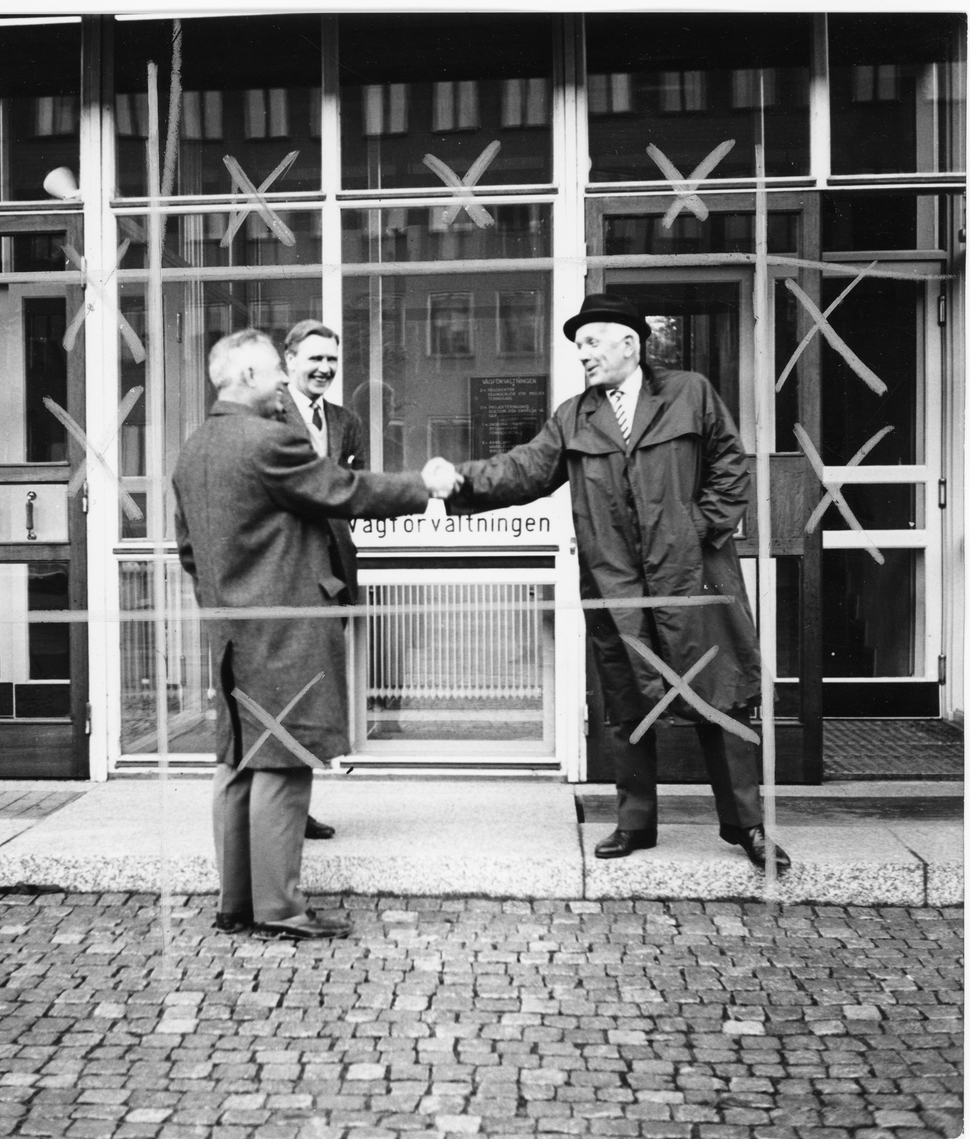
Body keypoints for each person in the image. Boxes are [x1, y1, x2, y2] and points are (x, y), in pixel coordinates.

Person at [441, 293, 790, 870]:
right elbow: (524, 469)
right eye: (578, 345)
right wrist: (457, 482)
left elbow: (732, 466)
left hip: (692, 578)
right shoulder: (574, 416)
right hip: (617, 582)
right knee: (629, 702)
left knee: (720, 698)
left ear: (630, 343)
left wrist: (695, 529)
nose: (582, 353)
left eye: (591, 341)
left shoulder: (690, 393)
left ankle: (746, 825)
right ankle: (635, 824)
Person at [172, 329, 455, 940]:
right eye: (276, 370)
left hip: (233, 632)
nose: (285, 379)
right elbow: (343, 491)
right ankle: (279, 910)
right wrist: (424, 486)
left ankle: (235, 904)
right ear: (248, 376)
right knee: (283, 762)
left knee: (237, 762)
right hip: (288, 629)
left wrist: (228, 600)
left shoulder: (194, 447)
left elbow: (189, 551)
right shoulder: (268, 440)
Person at [280, 319, 367, 836]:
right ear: (289, 359)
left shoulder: (345, 421)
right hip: (283, 574)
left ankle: (297, 808)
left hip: (331, 574)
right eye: (314, 358)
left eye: (331, 359)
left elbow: (354, 486)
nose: (324, 368)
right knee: (284, 694)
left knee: (313, 695)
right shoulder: (265, 416)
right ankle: (278, 812)